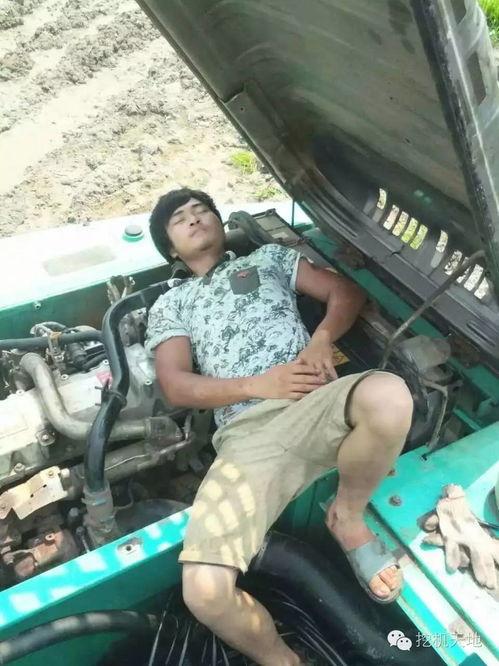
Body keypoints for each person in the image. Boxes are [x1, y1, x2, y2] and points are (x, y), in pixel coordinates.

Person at [146, 187, 413, 666]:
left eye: (202, 210)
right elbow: (176, 385)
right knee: (205, 592)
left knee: (390, 396)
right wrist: (258, 385)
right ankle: (283, 660)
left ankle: (347, 516)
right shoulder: (173, 303)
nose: (195, 218)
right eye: (180, 219)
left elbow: (345, 291)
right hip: (248, 435)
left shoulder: (268, 258)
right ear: (171, 249)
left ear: (220, 222)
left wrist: (321, 339)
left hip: (314, 401)